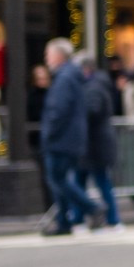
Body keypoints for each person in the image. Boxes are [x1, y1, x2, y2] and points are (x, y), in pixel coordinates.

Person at [39, 38, 92, 237]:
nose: (46, 58)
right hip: (70, 137)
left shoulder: (64, 78)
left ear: (59, 56)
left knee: (58, 179)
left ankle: (90, 208)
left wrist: (49, 134)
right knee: (58, 180)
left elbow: (58, 110)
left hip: (61, 138)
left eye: (48, 54)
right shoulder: (69, 75)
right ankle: (63, 221)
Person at [78, 53, 123, 234]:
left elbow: (92, 111)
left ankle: (110, 218)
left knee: (98, 181)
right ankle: (81, 217)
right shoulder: (98, 84)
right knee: (86, 181)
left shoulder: (93, 86)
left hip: (94, 144)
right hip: (94, 144)